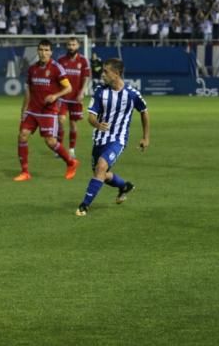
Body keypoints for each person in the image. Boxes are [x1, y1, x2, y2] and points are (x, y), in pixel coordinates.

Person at [75, 58, 149, 216]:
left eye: (105, 71)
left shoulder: (132, 94)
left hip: (118, 139)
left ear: (117, 73)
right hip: (99, 139)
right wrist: (97, 125)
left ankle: (84, 206)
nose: (102, 74)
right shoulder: (100, 91)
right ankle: (124, 186)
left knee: (101, 167)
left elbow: (144, 111)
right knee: (100, 173)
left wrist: (145, 137)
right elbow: (91, 116)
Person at [15, 39, 80, 182]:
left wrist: (55, 96)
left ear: (51, 52)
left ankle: (71, 162)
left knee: (50, 142)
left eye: (46, 50)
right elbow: (28, 91)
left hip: (48, 112)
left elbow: (68, 88)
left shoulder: (56, 68)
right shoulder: (32, 69)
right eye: (41, 50)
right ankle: (25, 172)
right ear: (37, 51)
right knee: (22, 135)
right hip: (32, 110)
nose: (43, 53)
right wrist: (23, 110)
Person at [56, 36, 91, 158]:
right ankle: (59, 149)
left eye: (74, 45)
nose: (71, 47)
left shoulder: (83, 61)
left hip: (76, 97)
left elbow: (86, 77)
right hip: (63, 97)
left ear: (78, 46)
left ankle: (71, 149)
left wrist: (82, 92)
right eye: (69, 45)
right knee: (60, 121)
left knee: (73, 124)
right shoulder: (61, 60)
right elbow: (56, 78)